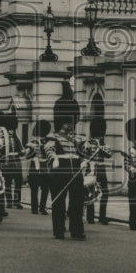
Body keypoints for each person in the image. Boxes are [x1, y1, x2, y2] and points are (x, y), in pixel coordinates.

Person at [45, 91, 85, 240]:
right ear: (62, 121)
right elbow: (48, 149)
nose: (71, 124)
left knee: (77, 202)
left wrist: (84, 161)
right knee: (59, 202)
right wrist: (54, 158)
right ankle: (59, 229)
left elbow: (80, 154)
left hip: (75, 170)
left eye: (72, 121)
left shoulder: (76, 139)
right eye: (68, 121)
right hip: (60, 170)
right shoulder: (53, 137)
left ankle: (76, 229)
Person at [83, 117, 113, 225]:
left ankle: (102, 216)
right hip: (91, 168)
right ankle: (90, 217)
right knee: (91, 192)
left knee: (105, 193)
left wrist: (103, 146)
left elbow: (109, 155)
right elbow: (84, 156)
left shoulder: (103, 144)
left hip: (101, 168)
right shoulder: (88, 143)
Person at [25, 120, 51, 215]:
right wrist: (32, 153)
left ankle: (42, 208)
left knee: (45, 189)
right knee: (34, 189)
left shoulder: (48, 142)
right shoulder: (32, 142)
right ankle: (34, 208)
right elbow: (27, 156)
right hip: (34, 168)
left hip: (45, 167)